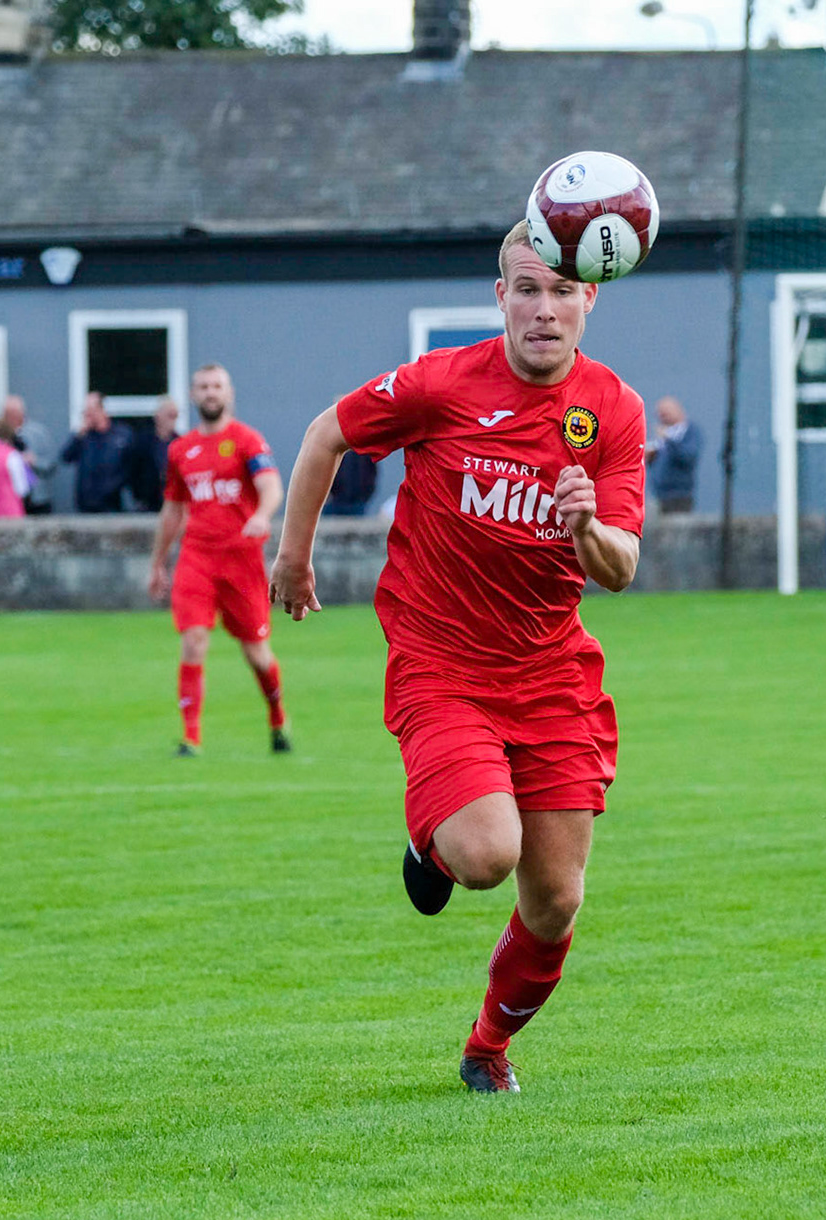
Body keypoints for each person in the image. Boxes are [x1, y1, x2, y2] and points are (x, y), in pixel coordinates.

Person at [270, 219, 644, 1094]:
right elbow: (327, 433)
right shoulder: (441, 385)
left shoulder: (613, 412)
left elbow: (621, 569)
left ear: (590, 297)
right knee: (485, 855)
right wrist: (294, 555)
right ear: (500, 297)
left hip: (551, 672)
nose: (543, 310)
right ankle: (434, 849)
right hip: (441, 660)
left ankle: (486, 1049)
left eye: (560, 293)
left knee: (555, 903)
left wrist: (587, 524)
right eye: (526, 289)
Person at [147, 364, 288, 755]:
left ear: (229, 393)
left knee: (256, 653)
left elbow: (272, 487)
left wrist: (261, 514)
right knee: (193, 642)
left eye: (217, 386)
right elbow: (172, 510)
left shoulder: (247, 441)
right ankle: (191, 737)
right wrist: (157, 562)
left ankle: (277, 717)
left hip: (242, 560)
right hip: (197, 558)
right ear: (193, 394)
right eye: (204, 386)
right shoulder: (181, 450)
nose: (211, 393)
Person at [60, 391, 136, 513]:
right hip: (86, 504)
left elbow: (131, 467)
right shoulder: (84, 436)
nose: (87, 414)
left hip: (112, 504)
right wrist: (79, 435)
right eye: (86, 410)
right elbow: (65, 457)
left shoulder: (121, 435)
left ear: (101, 409)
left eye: (90, 409)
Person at [644, 395, 701, 514]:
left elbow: (687, 456)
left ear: (678, 410)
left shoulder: (690, 431)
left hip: (679, 496)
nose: (662, 417)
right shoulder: (661, 434)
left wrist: (669, 440)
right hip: (659, 495)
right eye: (660, 414)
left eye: (666, 413)